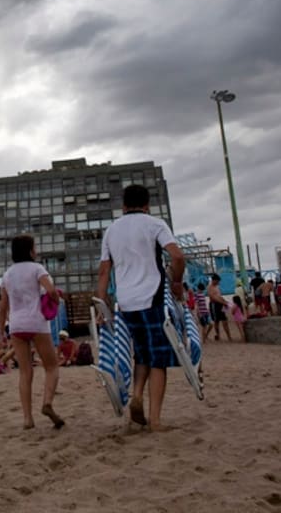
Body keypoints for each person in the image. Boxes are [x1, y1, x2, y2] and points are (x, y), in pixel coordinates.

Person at [95, 184, 186, 432]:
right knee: (158, 360)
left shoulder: (111, 231)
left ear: (123, 206)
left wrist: (102, 307)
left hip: (125, 302)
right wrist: (177, 283)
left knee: (142, 353)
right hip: (152, 297)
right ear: (147, 206)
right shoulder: (155, 224)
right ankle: (155, 421)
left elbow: (104, 271)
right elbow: (177, 257)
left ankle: (137, 395)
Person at [0, 234, 64, 430]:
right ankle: (47, 403)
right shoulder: (37, 269)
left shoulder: (7, 275)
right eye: (35, 247)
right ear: (29, 250)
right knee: (51, 366)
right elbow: (50, 290)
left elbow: (3, 306)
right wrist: (56, 300)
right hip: (37, 323)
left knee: (25, 373)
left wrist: (2, 331)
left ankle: (27, 419)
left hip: (17, 326)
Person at [206, 274, 233, 342]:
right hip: (214, 305)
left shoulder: (217, 287)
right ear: (214, 280)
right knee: (216, 321)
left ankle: (229, 336)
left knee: (224, 320)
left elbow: (219, 296)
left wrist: (225, 302)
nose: (218, 282)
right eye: (217, 281)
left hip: (220, 304)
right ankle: (218, 335)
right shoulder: (209, 287)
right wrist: (223, 302)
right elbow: (213, 297)